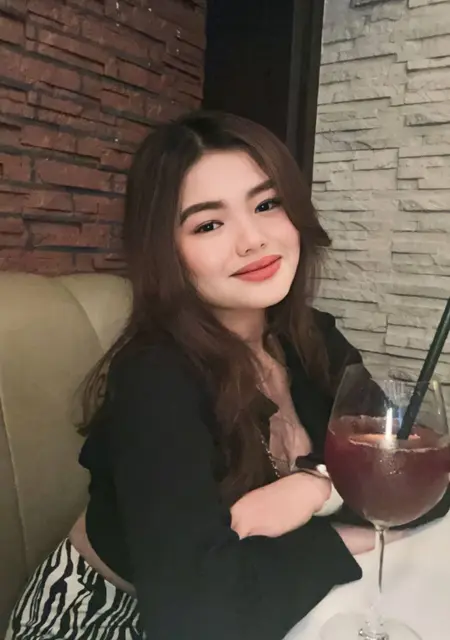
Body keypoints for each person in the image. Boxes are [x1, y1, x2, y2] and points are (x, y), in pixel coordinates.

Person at [7, 111, 449, 640]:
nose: (252, 240)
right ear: (166, 252)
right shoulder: (155, 380)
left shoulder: (310, 340)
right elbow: (201, 616)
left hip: (257, 600)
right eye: (208, 224)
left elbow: (418, 476)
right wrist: (342, 537)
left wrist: (318, 491)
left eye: (266, 205)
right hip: (107, 616)